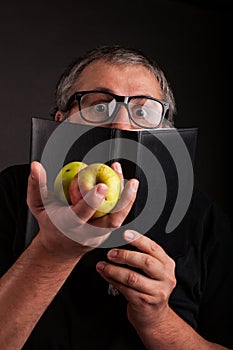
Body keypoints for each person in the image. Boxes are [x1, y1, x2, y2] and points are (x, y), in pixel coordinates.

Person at [0, 45, 232, 350]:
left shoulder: (203, 217)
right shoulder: (11, 191)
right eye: (98, 106)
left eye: (143, 111)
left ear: (166, 132)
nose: (120, 124)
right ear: (60, 122)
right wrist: (52, 253)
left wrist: (157, 319)